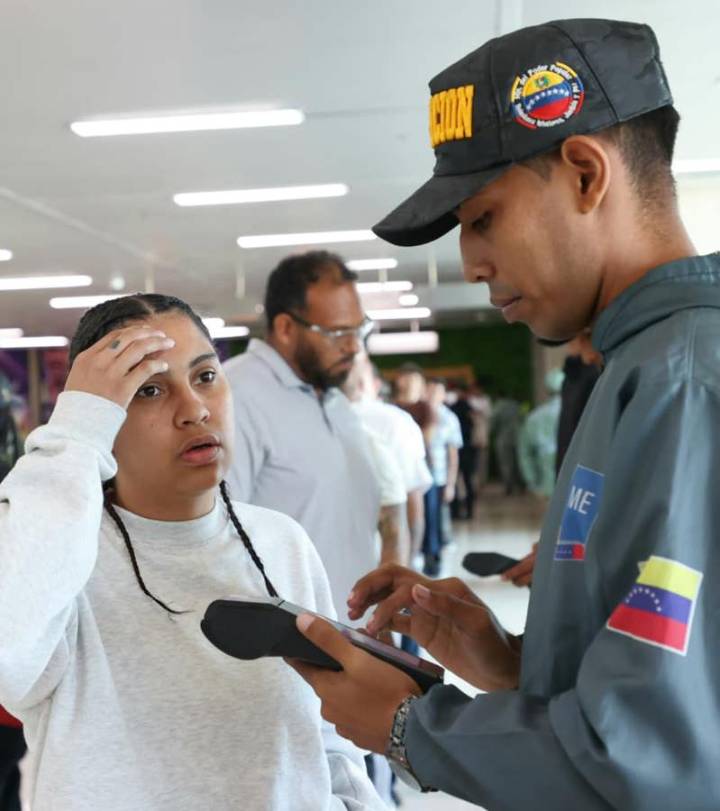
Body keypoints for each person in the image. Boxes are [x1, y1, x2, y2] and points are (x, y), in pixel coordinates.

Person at [287, 18, 720, 809]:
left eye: (483, 217)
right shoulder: (636, 369)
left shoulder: (683, 382)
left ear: (586, 173)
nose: (470, 262)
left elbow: (657, 763)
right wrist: (513, 662)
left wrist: (410, 725)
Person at [0, 293, 383, 810]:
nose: (195, 410)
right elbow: (8, 662)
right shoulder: (61, 557)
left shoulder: (280, 541)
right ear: (101, 414)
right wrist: (73, 435)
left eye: (205, 377)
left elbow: (325, 733)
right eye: (150, 389)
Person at [223, 251, 385, 621]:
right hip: (293, 648)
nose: (354, 346)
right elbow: (219, 540)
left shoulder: (332, 397)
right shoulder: (236, 396)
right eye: (337, 332)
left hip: (355, 632)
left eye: (359, 329)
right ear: (285, 328)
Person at [342, 352, 432, 565]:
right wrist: (408, 568)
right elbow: (413, 503)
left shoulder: (308, 420)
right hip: (381, 559)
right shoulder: (396, 421)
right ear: (371, 384)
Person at [517, 367, 564, 499]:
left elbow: (525, 453)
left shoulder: (534, 417)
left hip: (545, 481)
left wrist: (531, 481)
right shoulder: (582, 413)